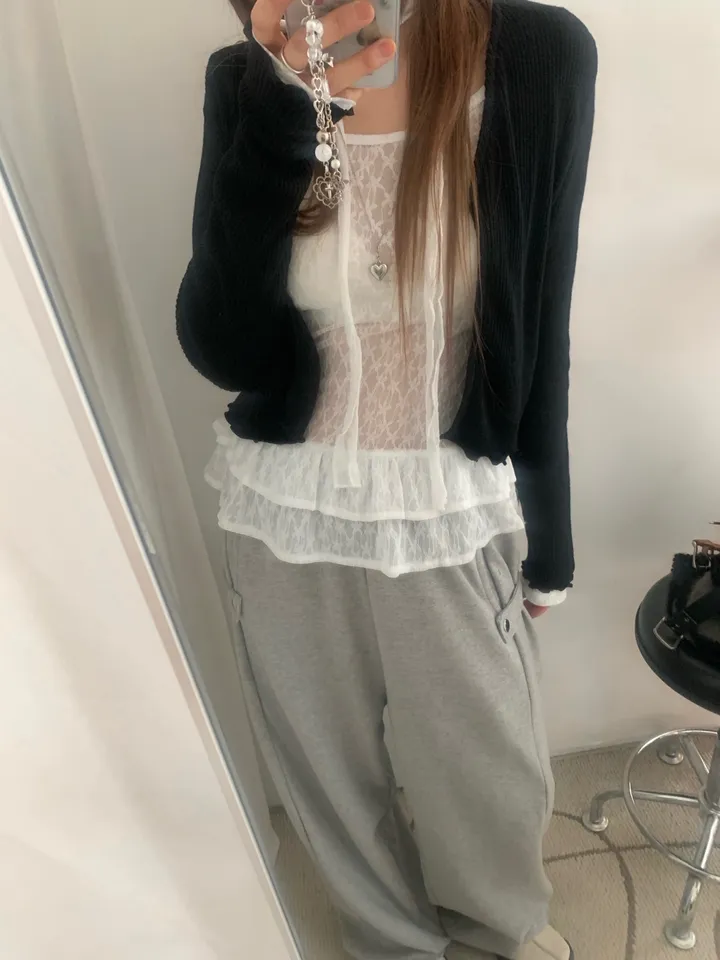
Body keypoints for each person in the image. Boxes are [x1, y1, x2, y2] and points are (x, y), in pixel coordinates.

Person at [176, 0, 597, 958]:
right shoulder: (244, 79)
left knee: (488, 768)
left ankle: (497, 932)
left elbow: (544, 318)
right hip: (284, 511)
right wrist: (283, 110)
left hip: (445, 505)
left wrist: (552, 540)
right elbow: (222, 347)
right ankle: (389, 943)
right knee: (326, 775)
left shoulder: (536, 55)